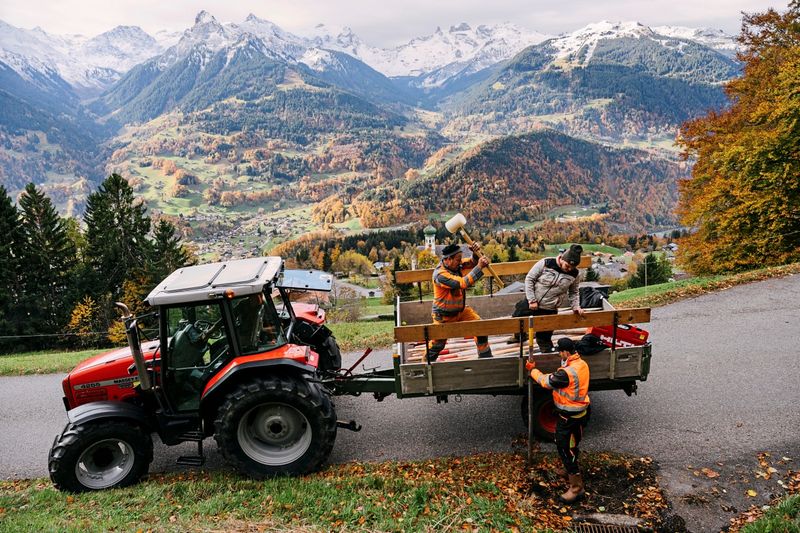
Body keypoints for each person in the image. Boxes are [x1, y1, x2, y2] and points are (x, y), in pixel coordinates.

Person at [526, 337, 591, 504]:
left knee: (564, 447)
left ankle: (576, 488)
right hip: (579, 414)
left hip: (569, 418)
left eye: (559, 351)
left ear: (566, 352)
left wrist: (533, 370)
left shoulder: (567, 373)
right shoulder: (581, 364)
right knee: (572, 445)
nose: (558, 354)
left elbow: (546, 382)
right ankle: (569, 470)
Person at [511, 244, 585, 352]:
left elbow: (573, 292)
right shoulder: (546, 263)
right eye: (567, 266)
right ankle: (519, 337)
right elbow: (530, 279)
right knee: (517, 316)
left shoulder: (574, 274)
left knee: (544, 337)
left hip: (550, 308)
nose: (569, 269)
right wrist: (532, 300)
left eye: (572, 267)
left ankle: (546, 355)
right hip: (533, 302)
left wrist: (576, 307)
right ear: (562, 259)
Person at [428, 242, 492, 360]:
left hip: (461, 311)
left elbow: (472, 262)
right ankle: (424, 366)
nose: (460, 262)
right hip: (443, 316)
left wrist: (475, 252)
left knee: (481, 327)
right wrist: (479, 267)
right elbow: (463, 283)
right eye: (458, 260)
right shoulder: (440, 275)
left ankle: (485, 357)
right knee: (438, 344)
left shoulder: (456, 265)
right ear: (448, 260)